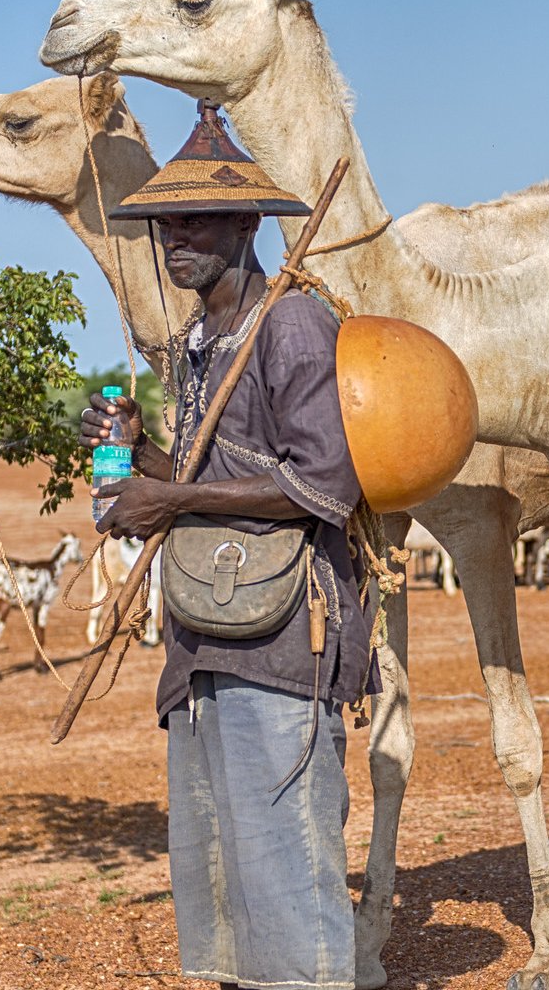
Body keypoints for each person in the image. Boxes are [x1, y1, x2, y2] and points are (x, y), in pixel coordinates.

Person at [81, 102, 372, 990]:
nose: (176, 238)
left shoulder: (290, 327)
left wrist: (170, 495)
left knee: (287, 868)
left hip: (285, 640)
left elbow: (325, 484)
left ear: (249, 224)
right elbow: (214, 471)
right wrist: (141, 453)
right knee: (225, 872)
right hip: (208, 636)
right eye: (167, 222)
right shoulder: (201, 341)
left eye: (198, 220)